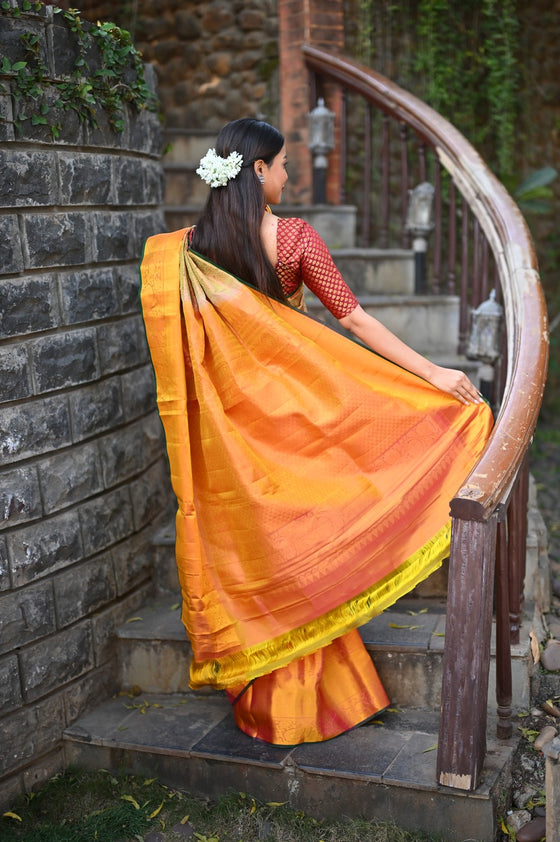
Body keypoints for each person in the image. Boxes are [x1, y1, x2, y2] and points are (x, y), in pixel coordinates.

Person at [140, 117, 493, 747]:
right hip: (300, 418)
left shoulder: (186, 252)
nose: (288, 175)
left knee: (267, 546)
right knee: (309, 536)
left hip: (235, 433)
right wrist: (434, 374)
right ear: (256, 170)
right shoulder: (296, 238)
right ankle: (309, 689)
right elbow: (353, 320)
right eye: (280, 165)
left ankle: (277, 691)